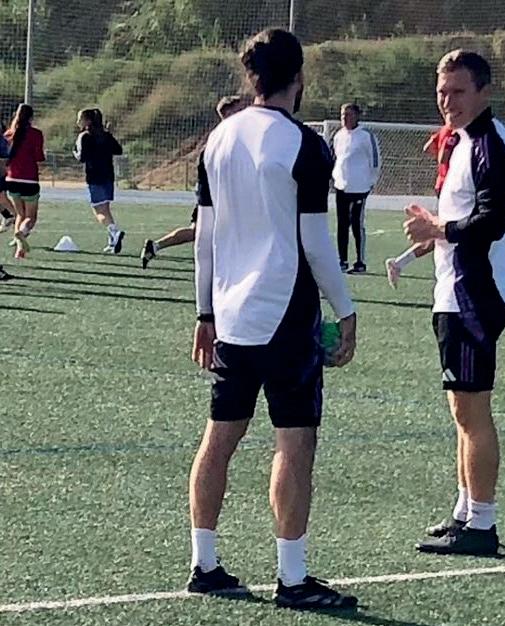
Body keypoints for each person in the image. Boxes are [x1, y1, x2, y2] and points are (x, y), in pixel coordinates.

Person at [188, 28, 358, 609]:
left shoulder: (218, 138)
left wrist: (204, 311)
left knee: (220, 437)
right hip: (286, 311)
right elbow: (315, 241)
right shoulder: (305, 144)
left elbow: (205, 238)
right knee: (295, 440)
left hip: (231, 312)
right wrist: (346, 308)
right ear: (300, 78)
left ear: (251, 77)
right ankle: (292, 577)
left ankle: (204, 562)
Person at [404, 49, 505, 556]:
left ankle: (483, 524)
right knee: (461, 411)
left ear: (483, 92)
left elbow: (490, 222)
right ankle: (465, 511)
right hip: (455, 293)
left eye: (457, 91)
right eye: (442, 91)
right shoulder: (462, 142)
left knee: (473, 412)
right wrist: (436, 236)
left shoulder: (491, 145)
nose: (447, 101)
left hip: (475, 297)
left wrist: (439, 228)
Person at [141, 96, 245, 269]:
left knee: (198, 231)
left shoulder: (230, 135)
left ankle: (155, 246)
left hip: (218, 192)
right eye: (239, 110)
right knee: (204, 231)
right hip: (215, 193)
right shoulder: (222, 137)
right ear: (229, 113)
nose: (244, 113)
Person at [384, 123, 456, 288]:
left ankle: (399, 263)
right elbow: (443, 157)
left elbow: (428, 147)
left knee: (443, 233)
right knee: (445, 232)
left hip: (444, 184)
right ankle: (398, 263)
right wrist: (452, 163)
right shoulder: (454, 131)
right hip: (449, 186)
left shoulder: (445, 129)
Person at [332, 103, 380, 273]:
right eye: (343, 115)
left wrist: (370, 182)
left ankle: (360, 262)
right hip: (341, 186)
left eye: (349, 114)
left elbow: (375, 161)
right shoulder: (338, 135)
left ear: (357, 116)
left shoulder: (366, 136)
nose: (345, 118)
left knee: (356, 224)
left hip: (359, 188)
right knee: (342, 224)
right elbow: (337, 158)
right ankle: (342, 260)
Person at [74, 108, 126, 253]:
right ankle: (112, 242)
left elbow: (82, 157)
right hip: (108, 176)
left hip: (94, 177)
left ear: (88, 121)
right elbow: (118, 150)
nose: (78, 122)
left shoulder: (85, 136)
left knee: (98, 211)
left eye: (80, 119)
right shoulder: (105, 135)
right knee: (106, 209)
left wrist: (75, 153)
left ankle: (115, 232)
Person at [4, 104, 45, 259]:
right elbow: (39, 156)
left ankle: (19, 250)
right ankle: (21, 233)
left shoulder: (9, 134)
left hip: (11, 178)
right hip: (29, 179)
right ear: (31, 117)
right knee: (30, 218)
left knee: (20, 214)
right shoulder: (36, 134)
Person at [0, 125, 16, 232]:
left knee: (2, 197)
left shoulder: (2, 142)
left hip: (1, 173)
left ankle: (17, 216)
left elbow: (4, 160)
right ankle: (7, 216)